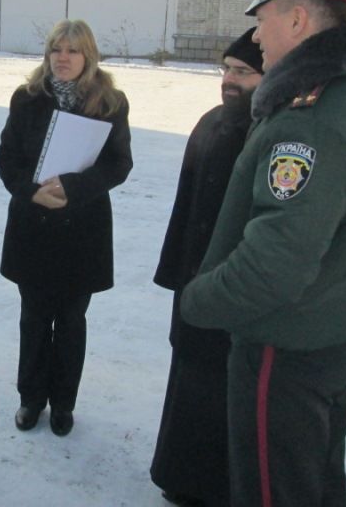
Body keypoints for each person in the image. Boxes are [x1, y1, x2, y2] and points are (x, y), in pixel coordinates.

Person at [181, 0, 346, 507]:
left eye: (262, 19)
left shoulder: (312, 120)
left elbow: (274, 265)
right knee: (316, 482)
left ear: (297, 19)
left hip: (285, 351)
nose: (257, 37)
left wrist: (199, 300)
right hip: (337, 337)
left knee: (275, 491)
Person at [0, 19, 133, 436]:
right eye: (57, 49)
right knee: (34, 318)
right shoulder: (27, 99)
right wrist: (29, 191)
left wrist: (73, 188)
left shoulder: (110, 101)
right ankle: (31, 399)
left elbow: (118, 163)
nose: (63, 58)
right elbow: (7, 158)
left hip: (82, 227)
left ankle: (63, 404)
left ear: (88, 55)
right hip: (33, 225)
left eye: (72, 50)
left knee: (72, 321)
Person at [150, 28, 264, 507]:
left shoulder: (267, 131)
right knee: (187, 374)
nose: (229, 79)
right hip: (192, 279)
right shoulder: (211, 121)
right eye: (226, 69)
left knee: (221, 386)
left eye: (242, 72)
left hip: (233, 286)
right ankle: (177, 476)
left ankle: (212, 487)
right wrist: (174, 272)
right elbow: (185, 207)